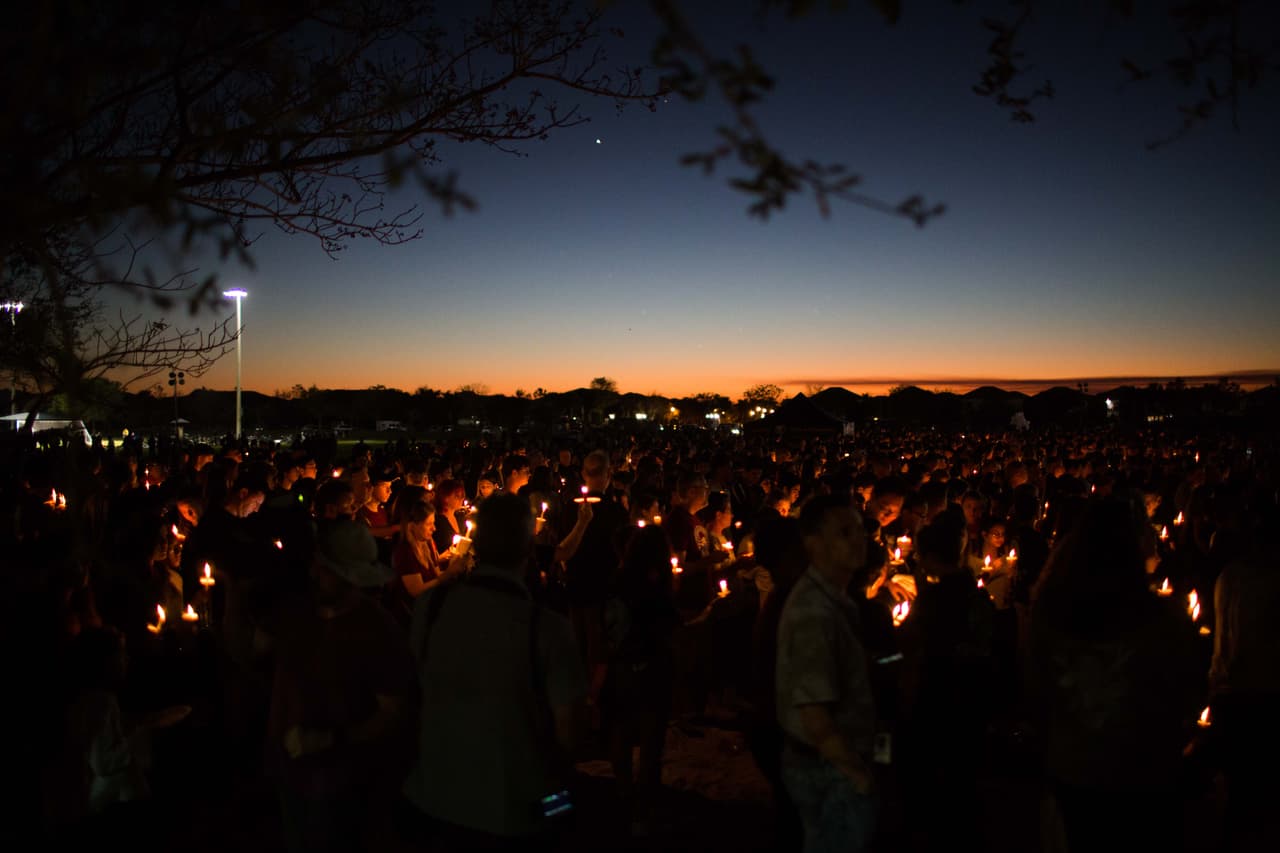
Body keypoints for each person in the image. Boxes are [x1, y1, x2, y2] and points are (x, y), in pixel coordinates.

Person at [401, 493, 587, 850]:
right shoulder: (546, 628)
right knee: (569, 811)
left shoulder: (431, 607)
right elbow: (571, 736)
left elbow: (414, 690)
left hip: (434, 794)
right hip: (511, 809)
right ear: (529, 546)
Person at [264, 519, 418, 853]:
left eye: (326, 569)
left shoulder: (377, 629)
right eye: (316, 565)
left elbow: (393, 710)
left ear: (351, 578)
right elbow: (253, 652)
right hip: (289, 773)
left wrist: (331, 740)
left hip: (342, 781)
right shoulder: (296, 612)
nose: (315, 574)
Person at [775, 494, 878, 853]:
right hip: (828, 768)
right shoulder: (813, 615)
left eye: (860, 531)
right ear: (813, 544)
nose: (858, 540)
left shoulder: (833, 600)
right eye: (844, 532)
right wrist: (857, 774)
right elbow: (814, 711)